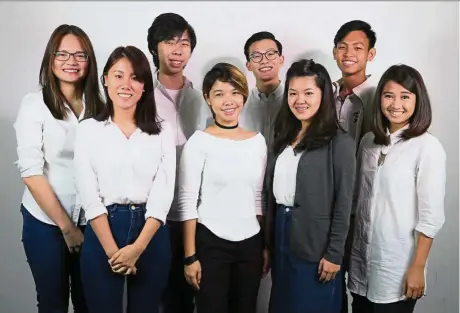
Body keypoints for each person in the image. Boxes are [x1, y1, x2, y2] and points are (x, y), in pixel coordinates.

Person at [75, 46, 175, 313]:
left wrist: (137, 248)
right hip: (103, 229)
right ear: (105, 79)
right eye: (118, 76)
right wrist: (112, 252)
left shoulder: (163, 131)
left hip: (150, 231)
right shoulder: (88, 131)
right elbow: (88, 194)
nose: (126, 85)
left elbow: (163, 193)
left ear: (144, 86)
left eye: (135, 77)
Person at [13, 24, 104, 313]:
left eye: (80, 55)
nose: (71, 62)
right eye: (62, 53)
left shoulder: (100, 105)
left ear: (89, 60)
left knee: (89, 301)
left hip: (91, 221)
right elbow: (31, 172)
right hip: (46, 223)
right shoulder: (34, 105)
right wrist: (67, 227)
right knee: (52, 302)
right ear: (50, 59)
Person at [348, 64, 446, 313]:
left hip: (397, 265)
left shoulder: (426, 147)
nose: (396, 104)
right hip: (362, 262)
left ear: (418, 100)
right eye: (389, 95)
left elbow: (430, 216)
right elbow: (357, 200)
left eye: (405, 96)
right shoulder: (369, 142)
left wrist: (417, 267)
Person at [266, 59, 356, 313]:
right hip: (282, 236)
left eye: (308, 93)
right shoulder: (282, 137)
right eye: (293, 93)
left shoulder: (340, 143)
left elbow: (344, 203)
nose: (299, 100)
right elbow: (271, 195)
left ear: (323, 95)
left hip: (317, 244)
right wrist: (267, 244)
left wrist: (334, 254)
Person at [179, 63, 268, 313]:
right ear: (207, 98)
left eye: (234, 92)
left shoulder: (257, 142)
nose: (228, 101)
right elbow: (187, 202)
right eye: (219, 94)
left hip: (250, 243)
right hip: (211, 242)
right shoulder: (199, 142)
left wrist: (263, 245)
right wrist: (190, 257)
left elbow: (259, 197)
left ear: (243, 95)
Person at [146, 13, 211, 313]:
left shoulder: (204, 99)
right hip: (153, 213)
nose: (177, 49)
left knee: (187, 296)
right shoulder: (140, 97)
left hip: (194, 213)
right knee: (154, 293)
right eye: (169, 41)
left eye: (184, 43)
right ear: (154, 47)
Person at [332, 20, 377, 312]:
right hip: (331, 206)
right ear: (334, 52)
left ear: (370, 54)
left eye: (358, 48)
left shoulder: (382, 97)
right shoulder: (323, 93)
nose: (349, 53)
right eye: (343, 47)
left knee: (365, 289)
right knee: (330, 282)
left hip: (366, 209)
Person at [241, 31, 285, 147]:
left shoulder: (295, 101)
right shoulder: (240, 104)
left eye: (270, 54)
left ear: (281, 60)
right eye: (256, 56)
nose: (264, 61)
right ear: (248, 65)